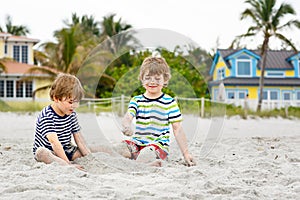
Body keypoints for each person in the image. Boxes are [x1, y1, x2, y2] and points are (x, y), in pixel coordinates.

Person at [119, 56, 196, 167]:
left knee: (146, 154)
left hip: (157, 146)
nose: (152, 82)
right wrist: (126, 126)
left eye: (157, 78)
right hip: (137, 143)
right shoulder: (136, 100)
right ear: (142, 78)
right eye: (148, 78)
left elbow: (177, 128)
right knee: (121, 149)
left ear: (165, 80)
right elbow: (128, 117)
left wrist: (186, 153)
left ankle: (151, 163)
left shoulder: (169, 102)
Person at [33, 73, 91, 171]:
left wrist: (89, 157)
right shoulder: (47, 116)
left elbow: (79, 139)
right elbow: (55, 143)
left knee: (90, 149)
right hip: (50, 151)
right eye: (71, 102)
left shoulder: (71, 114)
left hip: (66, 150)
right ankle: (63, 164)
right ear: (56, 98)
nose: (74, 106)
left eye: (77, 102)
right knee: (41, 152)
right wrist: (68, 165)